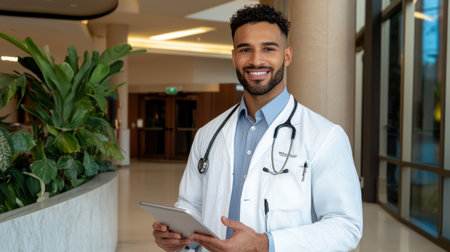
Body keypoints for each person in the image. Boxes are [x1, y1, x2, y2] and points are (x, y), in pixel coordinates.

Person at [152, 4, 362, 252]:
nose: (256, 60)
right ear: (233, 57)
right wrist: (177, 235)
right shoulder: (208, 134)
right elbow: (191, 205)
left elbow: (346, 226)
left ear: (287, 56)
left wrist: (265, 244)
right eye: (245, 50)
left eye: (268, 49)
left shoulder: (325, 137)